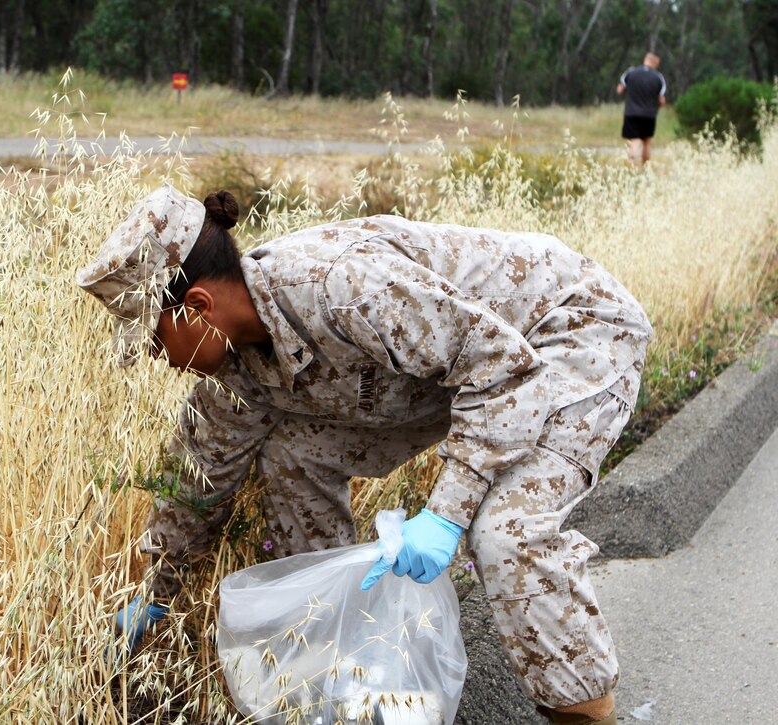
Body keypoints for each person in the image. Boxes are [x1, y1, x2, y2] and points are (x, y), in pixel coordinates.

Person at [78, 184, 652, 725]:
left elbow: (502, 367)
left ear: (198, 305)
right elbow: (200, 474)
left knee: (506, 534)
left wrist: (447, 514)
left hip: (566, 334)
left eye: (153, 338)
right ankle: (346, 662)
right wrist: (154, 592)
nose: (156, 357)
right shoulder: (236, 370)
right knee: (289, 451)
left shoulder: (341, 290)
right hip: (455, 376)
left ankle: (580, 712)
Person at [617, 52, 667, 167]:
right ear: (655, 63)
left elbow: (620, 90)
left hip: (631, 113)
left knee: (634, 141)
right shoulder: (658, 77)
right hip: (649, 114)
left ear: (645, 60)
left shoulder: (630, 72)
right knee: (647, 142)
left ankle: (632, 169)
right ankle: (645, 169)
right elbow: (661, 100)